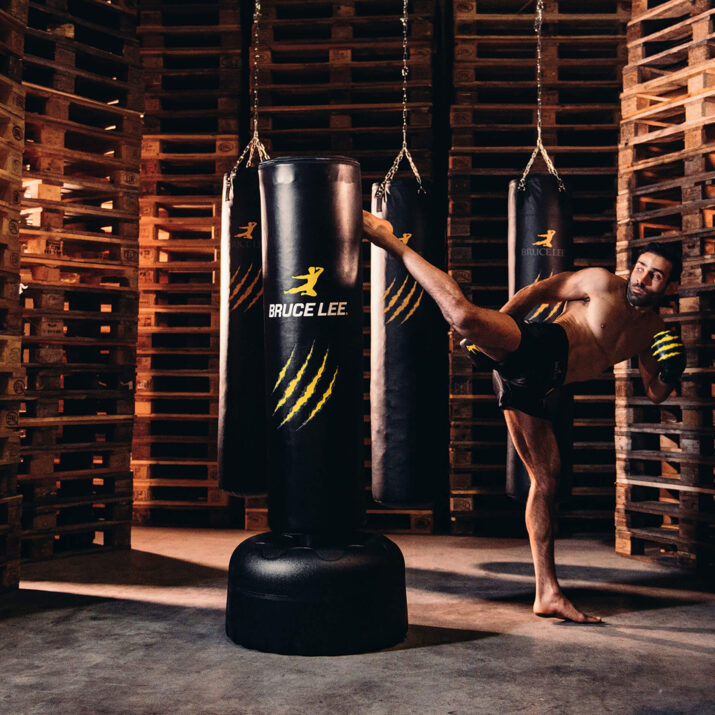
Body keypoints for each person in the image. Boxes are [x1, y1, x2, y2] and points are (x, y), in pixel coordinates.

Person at [362, 210, 686, 623]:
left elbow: (655, 393)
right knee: (463, 317)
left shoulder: (653, 333)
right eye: (641, 268)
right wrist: (501, 325)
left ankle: (547, 593)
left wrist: (673, 372)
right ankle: (391, 241)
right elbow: (541, 290)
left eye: (655, 275)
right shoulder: (602, 282)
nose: (642, 279)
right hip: (537, 347)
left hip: (538, 388)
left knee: (546, 479)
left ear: (671, 286)